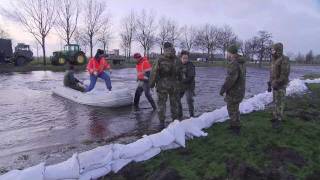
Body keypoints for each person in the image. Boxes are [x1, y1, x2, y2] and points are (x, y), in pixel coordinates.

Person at [150, 42, 183, 124]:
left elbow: (154, 73)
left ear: (164, 48)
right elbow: (181, 74)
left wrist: (151, 84)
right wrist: (181, 84)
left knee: (161, 104)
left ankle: (162, 122)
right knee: (174, 104)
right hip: (174, 85)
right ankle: (175, 121)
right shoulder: (178, 59)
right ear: (172, 48)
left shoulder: (159, 59)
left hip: (162, 85)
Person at [220, 45, 246, 135]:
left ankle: (235, 128)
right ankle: (235, 125)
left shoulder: (234, 64)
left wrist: (223, 89)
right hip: (240, 90)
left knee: (231, 109)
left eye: (227, 53)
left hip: (234, 91)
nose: (226, 54)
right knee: (235, 108)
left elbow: (230, 80)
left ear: (231, 53)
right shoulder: (241, 62)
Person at [268, 43, 290, 129]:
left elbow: (284, 74)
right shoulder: (274, 59)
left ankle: (279, 119)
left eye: (273, 49)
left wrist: (277, 83)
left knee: (280, 102)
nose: (272, 51)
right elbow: (272, 73)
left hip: (281, 85)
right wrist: (270, 83)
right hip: (274, 84)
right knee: (275, 101)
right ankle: (275, 116)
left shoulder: (284, 59)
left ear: (278, 50)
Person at [179, 50, 196, 117]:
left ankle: (192, 115)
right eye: (184, 58)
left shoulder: (191, 65)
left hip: (189, 86)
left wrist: (181, 81)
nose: (185, 60)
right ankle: (180, 115)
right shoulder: (178, 65)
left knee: (189, 100)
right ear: (181, 58)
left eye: (186, 58)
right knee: (177, 99)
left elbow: (191, 77)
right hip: (181, 86)